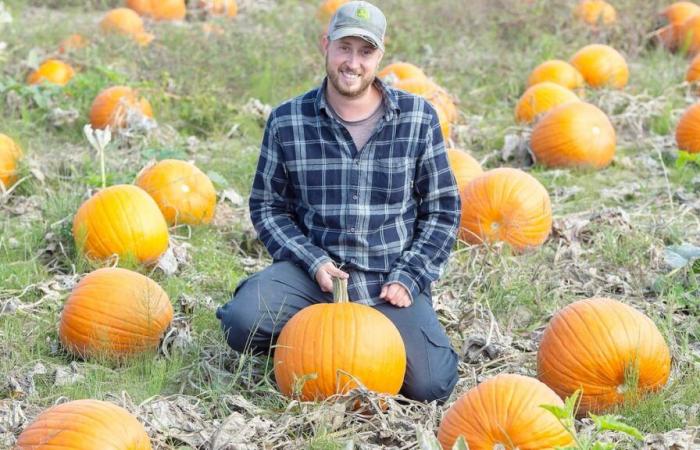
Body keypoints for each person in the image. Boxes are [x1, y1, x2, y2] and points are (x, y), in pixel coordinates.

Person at [216, 0, 461, 403]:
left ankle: (372, 341)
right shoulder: (288, 120)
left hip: (388, 279)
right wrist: (313, 261)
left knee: (431, 385)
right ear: (325, 45)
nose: (353, 62)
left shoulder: (418, 118)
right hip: (313, 275)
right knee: (241, 324)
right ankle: (307, 340)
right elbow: (268, 207)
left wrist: (410, 275)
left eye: (365, 52)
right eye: (345, 47)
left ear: (379, 55)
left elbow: (443, 210)